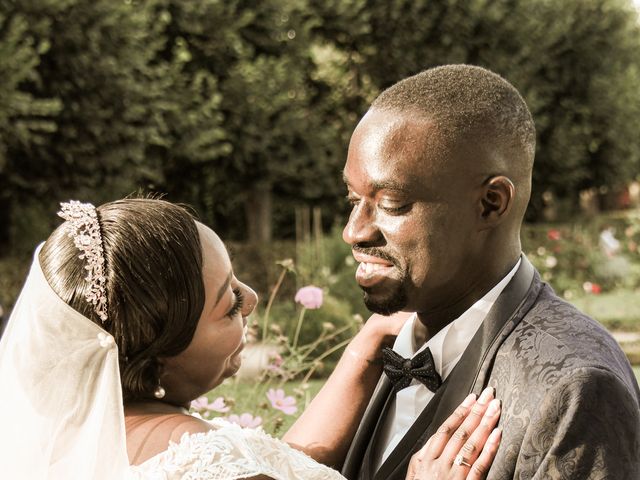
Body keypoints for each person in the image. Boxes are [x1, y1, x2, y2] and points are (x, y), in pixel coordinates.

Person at [0, 198, 501, 479]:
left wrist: (363, 350)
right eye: (230, 304)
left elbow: (285, 459)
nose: (255, 297)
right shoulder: (204, 466)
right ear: (158, 360)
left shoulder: (106, 434)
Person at [340, 64, 640, 479]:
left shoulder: (578, 388)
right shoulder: (375, 356)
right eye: (353, 198)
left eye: (391, 204)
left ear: (491, 203)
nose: (353, 231)